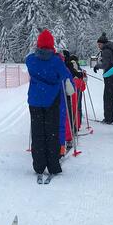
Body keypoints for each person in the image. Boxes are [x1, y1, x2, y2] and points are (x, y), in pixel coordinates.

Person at [26, 30, 75, 177]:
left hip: (35, 99)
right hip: (52, 100)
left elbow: (30, 62)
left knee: (37, 133)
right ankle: (53, 165)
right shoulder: (56, 61)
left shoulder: (31, 60)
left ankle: (38, 165)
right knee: (51, 133)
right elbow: (64, 74)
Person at [94, 33, 113, 124]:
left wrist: (97, 66)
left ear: (103, 44)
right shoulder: (112, 48)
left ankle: (108, 119)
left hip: (110, 77)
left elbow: (106, 64)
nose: (98, 46)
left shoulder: (106, 51)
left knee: (108, 98)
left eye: (99, 44)